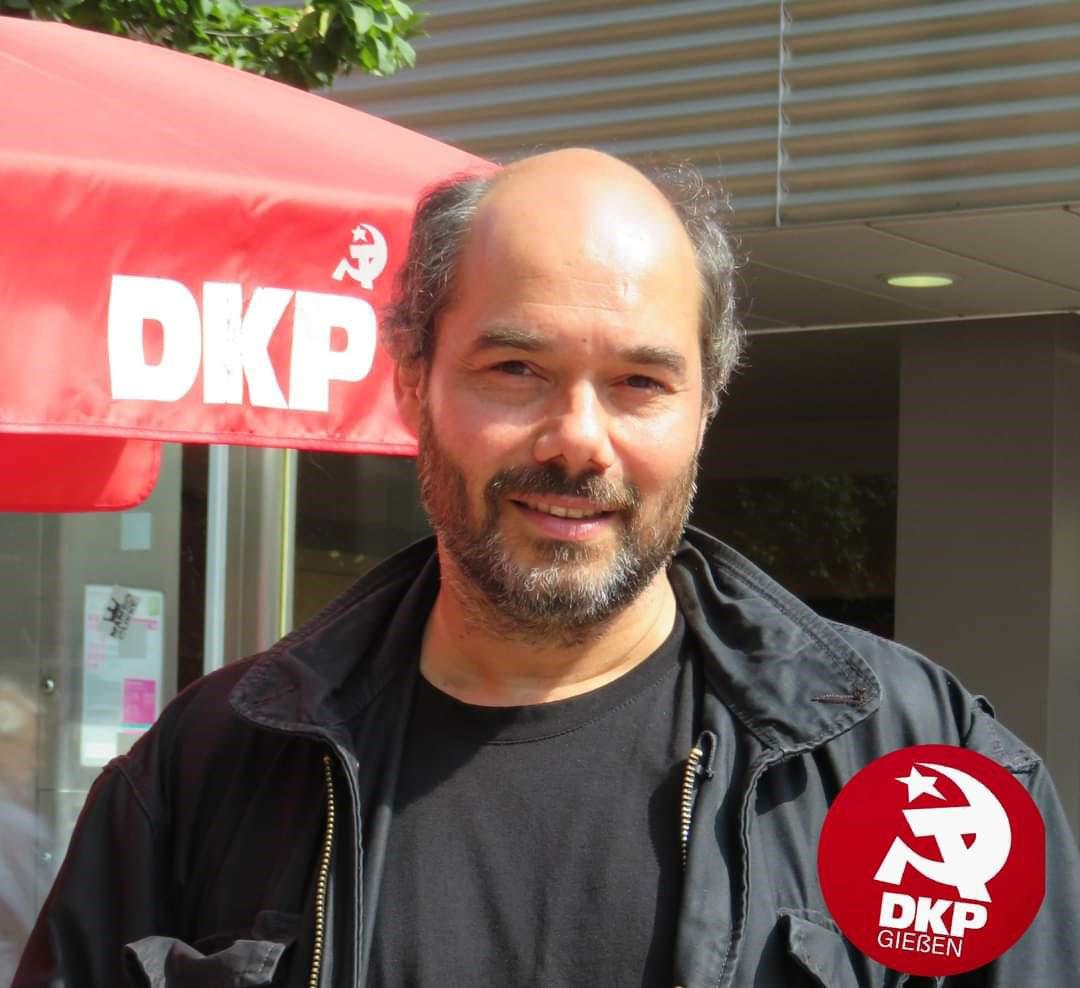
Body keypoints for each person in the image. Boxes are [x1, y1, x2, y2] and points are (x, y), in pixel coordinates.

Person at [14, 149, 1080, 987]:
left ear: (705, 408)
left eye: (639, 382)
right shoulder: (207, 769)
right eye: (516, 367)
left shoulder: (925, 777)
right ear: (413, 381)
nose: (578, 440)